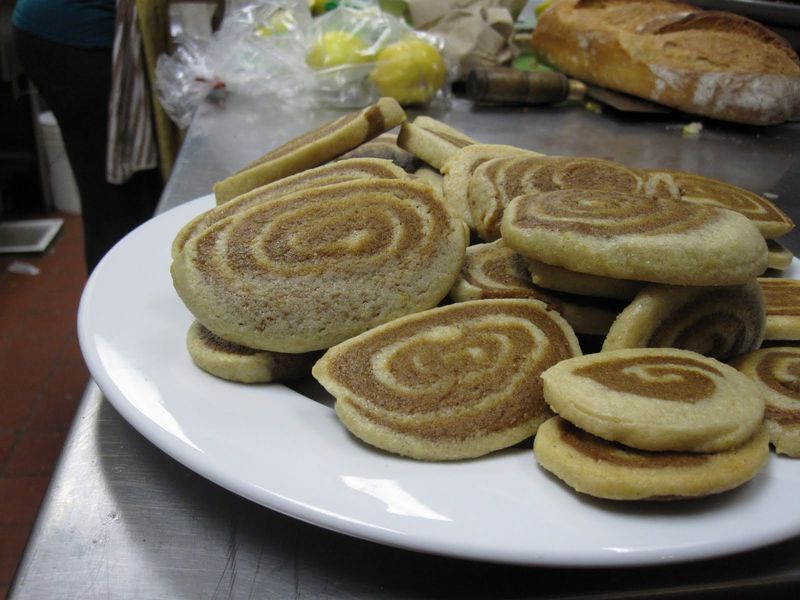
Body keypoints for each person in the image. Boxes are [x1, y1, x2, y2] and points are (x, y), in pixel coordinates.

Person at [12, 0, 163, 273]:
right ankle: (110, 301)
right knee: (110, 197)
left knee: (135, 193)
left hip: (78, 32)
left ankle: (126, 285)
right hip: (71, 41)